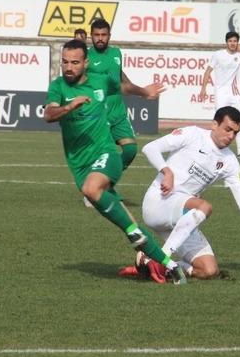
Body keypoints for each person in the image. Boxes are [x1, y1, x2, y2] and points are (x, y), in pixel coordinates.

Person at [44, 39, 186, 284]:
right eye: (65, 62)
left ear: (85, 63)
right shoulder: (57, 87)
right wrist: (70, 106)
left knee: (91, 189)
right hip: (80, 164)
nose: (69, 67)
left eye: (75, 62)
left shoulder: (100, 79)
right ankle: (169, 265)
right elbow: (49, 113)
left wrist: (144, 92)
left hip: (107, 153)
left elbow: (122, 86)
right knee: (129, 229)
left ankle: (139, 238)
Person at [118, 106, 240, 282]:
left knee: (208, 270)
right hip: (158, 203)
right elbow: (150, 148)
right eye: (227, 129)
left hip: (184, 217)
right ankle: (162, 260)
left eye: (235, 133)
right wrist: (167, 171)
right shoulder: (192, 134)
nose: (231, 136)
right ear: (215, 124)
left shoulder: (230, 162)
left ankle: (149, 263)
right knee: (205, 206)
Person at [87, 18, 160, 170]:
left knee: (130, 150)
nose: (100, 38)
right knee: (103, 155)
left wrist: (139, 92)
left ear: (109, 35)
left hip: (118, 113)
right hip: (98, 116)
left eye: (104, 34)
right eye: (96, 35)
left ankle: (108, 179)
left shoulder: (116, 53)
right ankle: (98, 185)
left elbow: (120, 76)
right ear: (91, 36)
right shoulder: (86, 58)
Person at [198, 32, 240, 159]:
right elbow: (208, 71)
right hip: (221, 94)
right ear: (226, 42)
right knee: (219, 121)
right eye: (230, 41)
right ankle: (209, 147)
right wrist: (203, 89)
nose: (233, 43)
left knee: (239, 121)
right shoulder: (218, 55)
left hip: (234, 94)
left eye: (235, 41)